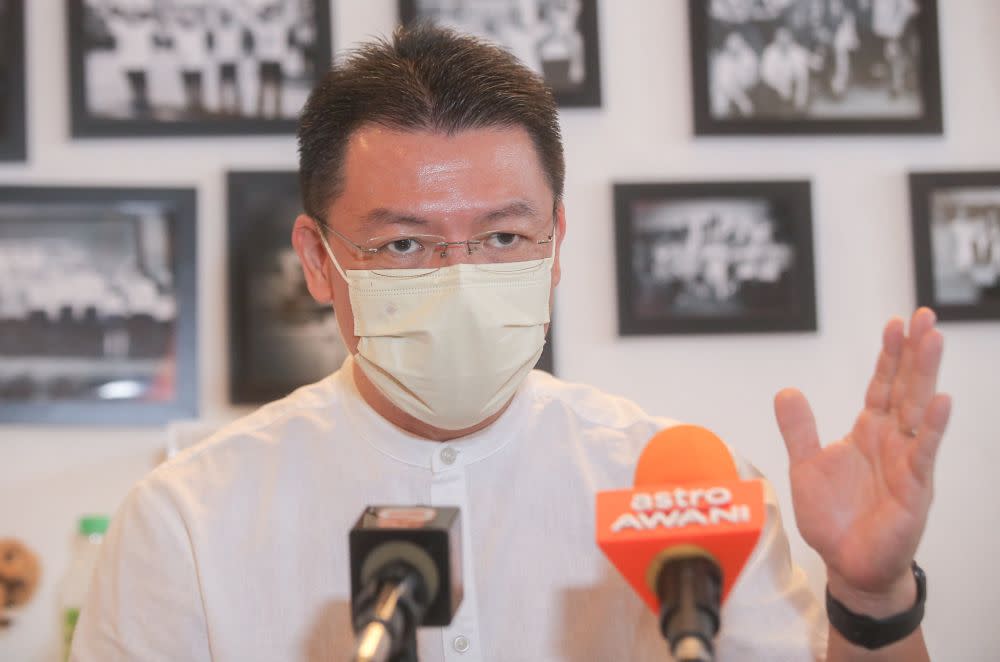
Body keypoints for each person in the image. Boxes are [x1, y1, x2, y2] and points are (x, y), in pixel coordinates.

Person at [70, 25, 950, 661]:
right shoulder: (186, 523)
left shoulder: (682, 487)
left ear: (557, 241)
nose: (460, 278)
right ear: (319, 259)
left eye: (501, 238)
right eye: (404, 243)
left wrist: (873, 598)